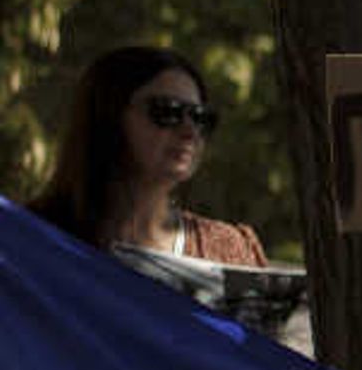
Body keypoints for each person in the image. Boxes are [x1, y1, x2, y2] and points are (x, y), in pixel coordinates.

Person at [27, 44, 267, 266]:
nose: (190, 132)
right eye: (166, 112)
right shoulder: (26, 236)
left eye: (200, 118)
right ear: (108, 116)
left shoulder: (229, 251)